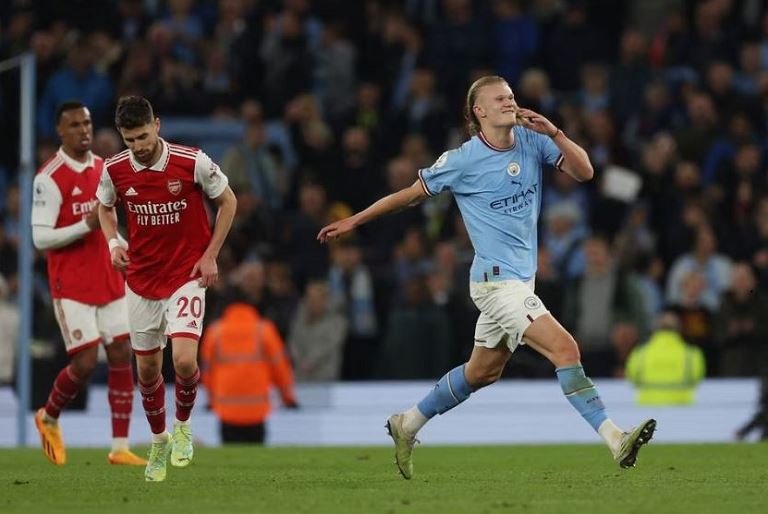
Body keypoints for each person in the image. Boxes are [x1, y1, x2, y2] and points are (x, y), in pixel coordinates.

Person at [318, 75, 656, 479]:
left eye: (511, 96)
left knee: (482, 373)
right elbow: (407, 195)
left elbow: (585, 172)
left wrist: (556, 132)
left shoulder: (532, 140)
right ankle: (614, 438)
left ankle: (407, 422)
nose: (509, 102)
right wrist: (354, 221)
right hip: (497, 283)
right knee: (565, 349)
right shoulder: (462, 160)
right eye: (499, 99)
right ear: (478, 111)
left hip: (520, 281)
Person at [96, 96, 237, 481]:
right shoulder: (115, 170)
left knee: (186, 361)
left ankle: (183, 427)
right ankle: (159, 441)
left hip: (186, 274)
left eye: (143, 136)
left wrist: (210, 255)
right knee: (147, 370)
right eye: (130, 140)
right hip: (141, 280)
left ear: (156, 125)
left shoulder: (192, 162)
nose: (138, 146)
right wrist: (113, 242)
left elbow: (228, 201)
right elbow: (104, 207)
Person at [30, 101, 145, 467]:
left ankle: (120, 446)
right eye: (75, 124)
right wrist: (87, 225)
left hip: (108, 278)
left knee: (121, 354)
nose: (84, 129)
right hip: (72, 284)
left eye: (88, 122)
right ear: (60, 132)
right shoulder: (49, 178)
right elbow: (41, 239)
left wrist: (122, 242)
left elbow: (107, 220)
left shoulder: (104, 169)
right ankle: (48, 416)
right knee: (83, 363)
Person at [201, 289, 298, 444]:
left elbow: (207, 372)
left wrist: (211, 401)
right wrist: (288, 399)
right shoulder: (264, 330)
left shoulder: (215, 332)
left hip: (226, 410)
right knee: (256, 461)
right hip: (257, 410)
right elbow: (281, 369)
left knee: (229, 461)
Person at [625, 310, 706, 405]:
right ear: (679, 329)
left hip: (648, 408)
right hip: (682, 409)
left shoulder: (640, 353)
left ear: (655, 329)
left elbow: (632, 378)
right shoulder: (692, 354)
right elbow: (696, 380)